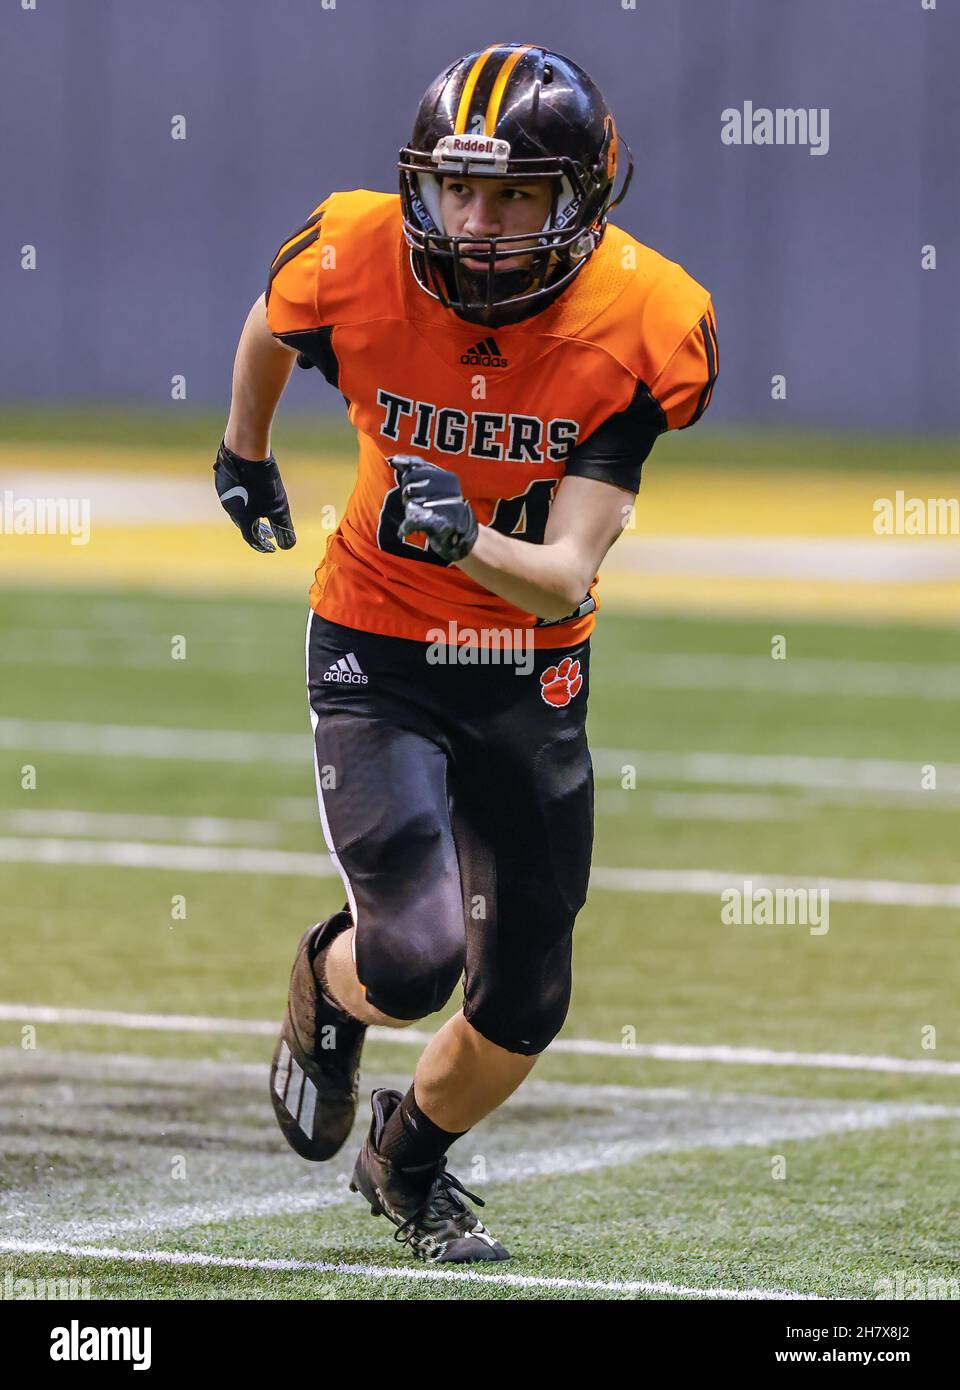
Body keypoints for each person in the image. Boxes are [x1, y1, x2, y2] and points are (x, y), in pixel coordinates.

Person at [216, 42, 718, 1264]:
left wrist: (468, 536)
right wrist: (245, 449)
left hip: (526, 661)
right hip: (379, 641)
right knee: (412, 953)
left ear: (581, 202)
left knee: (525, 997)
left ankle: (407, 1159)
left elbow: (563, 579)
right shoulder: (354, 248)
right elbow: (274, 323)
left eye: (517, 197)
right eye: (459, 190)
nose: (478, 224)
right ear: (421, 184)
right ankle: (326, 999)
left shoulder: (647, 321)